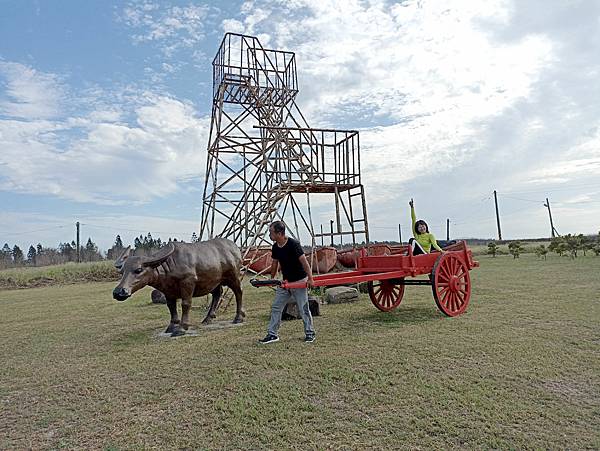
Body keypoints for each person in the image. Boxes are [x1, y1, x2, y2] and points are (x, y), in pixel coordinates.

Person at [258, 221, 316, 344]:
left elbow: (304, 263)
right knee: (276, 307)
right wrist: (272, 278)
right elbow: (274, 263)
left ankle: (310, 333)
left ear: (279, 233)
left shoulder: (293, 244)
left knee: (303, 308)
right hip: (285, 282)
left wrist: (310, 279)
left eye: (271, 232)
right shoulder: (275, 247)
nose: (269, 235)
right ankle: (272, 334)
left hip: (299, 281)